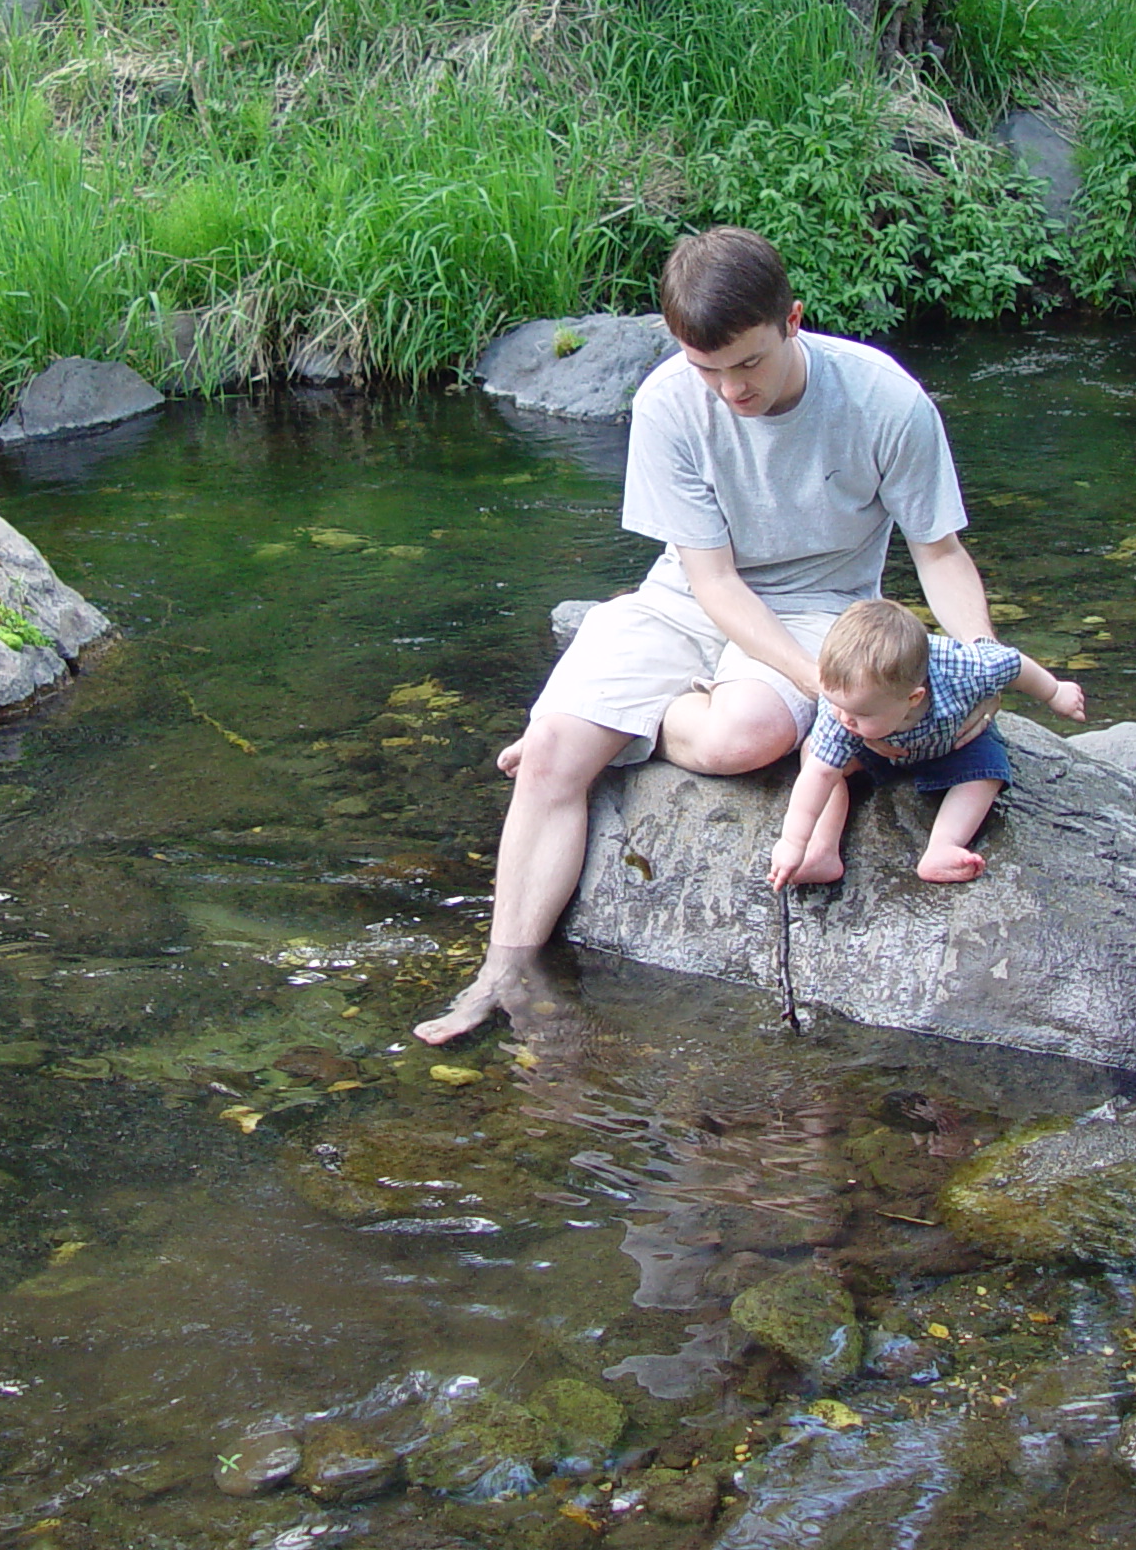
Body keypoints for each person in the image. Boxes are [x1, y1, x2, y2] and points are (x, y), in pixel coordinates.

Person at [416, 226, 998, 1045]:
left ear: (793, 318)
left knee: (743, 737)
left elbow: (938, 551)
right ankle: (505, 972)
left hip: (819, 600)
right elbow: (712, 580)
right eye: (707, 369)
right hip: (684, 595)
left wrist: (978, 667)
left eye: (749, 363)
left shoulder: (883, 400)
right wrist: (813, 683)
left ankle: (618, 722)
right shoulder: (665, 401)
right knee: (550, 753)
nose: (730, 391)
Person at [767, 597, 1086, 890]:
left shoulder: (963, 669)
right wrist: (793, 842)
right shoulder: (843, 715)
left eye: (860, 711)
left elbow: (1012, 664)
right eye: (835, 702)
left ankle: (944, 846)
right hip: (872, 749)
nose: (844, 717)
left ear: (913, 698)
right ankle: (822, 849)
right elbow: (818, 776)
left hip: (951, 741)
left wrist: (1054, 692)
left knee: (986, 771)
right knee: (816, 757)